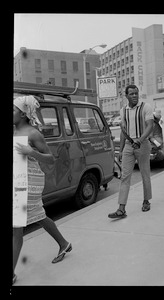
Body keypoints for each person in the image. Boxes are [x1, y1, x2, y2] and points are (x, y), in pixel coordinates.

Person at [13, 96, 72, 285]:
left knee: (17, 226)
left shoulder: (33, 134)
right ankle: (64, 243)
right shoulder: (14, 131)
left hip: (29, 181)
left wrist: (32, 153)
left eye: (13, 110)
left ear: (23, 114)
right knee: (38, 216)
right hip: (16, 179)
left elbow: (50, 159)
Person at [108, 85, 154, 219]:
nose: (134, 96)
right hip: (129, 144)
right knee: (125, 176)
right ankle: (121, 208)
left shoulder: (146, 107)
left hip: (143, 144)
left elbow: (150, 126)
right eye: (131, 94)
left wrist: (140, 140)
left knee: (145, 173)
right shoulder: (123, 110)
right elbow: (123, 131)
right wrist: (121, 150)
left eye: (136, 93)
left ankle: (146, 201)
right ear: (126, 96)